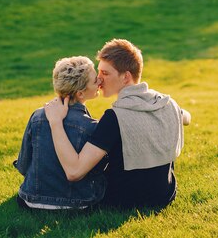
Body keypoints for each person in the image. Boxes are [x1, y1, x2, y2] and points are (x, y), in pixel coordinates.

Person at [44, 39, 191, 210]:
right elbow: (186, 117)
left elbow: (74, 171)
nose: (99, 79)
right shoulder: (165, 103)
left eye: (105, 73)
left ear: (126, 77)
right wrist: (177, 112)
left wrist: (55, 122)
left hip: (123, 200)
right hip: (164, 194)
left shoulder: (114, 118)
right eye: (99, 72)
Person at [14, 56, 106, 210]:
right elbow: (94, 172)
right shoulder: (92, 127)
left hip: (31, 201)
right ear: (80, 94)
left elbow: (23, 165)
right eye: (95, 79)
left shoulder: (37, 116)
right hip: (77, 204)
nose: (99, 81)